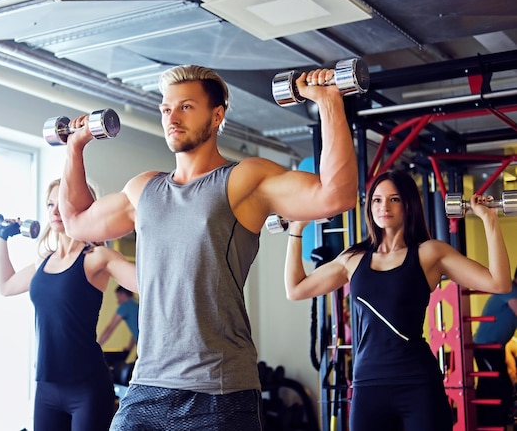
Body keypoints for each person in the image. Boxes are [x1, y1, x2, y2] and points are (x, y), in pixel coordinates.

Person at [58, 64, 358, 430]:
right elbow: (75, 220)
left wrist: (329, 102)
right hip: (146, 385)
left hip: (219, 391)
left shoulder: (243, 179)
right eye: (167, 109)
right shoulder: (143, 189)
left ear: (217, 116)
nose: (172, 117)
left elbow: (336, 195)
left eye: (186, 107)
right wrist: (75, 147)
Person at [284, 169, 512, 431]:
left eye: (394, 199)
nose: (384, 207)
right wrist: (296, 229)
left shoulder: (429, 254)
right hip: (368, 386)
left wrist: (489, 220)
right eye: (377, 200)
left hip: (417, 384)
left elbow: (499, 282)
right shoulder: (353, 259)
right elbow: (295, 289)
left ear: (409, 204)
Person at [0, 178, 137, 431]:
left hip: (88, 388)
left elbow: (149, 284)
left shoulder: (96, 258)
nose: (56, 211)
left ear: (83, 207)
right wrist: (1, 237)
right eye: (50, 204)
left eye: (62, 202)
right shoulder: (43, 262)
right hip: (46, 389)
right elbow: (6, 286)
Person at [473, 267, 517, 427]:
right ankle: (491, 424)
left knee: (491, 387)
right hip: (486, 348)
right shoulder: (510, 289)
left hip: (494, 349)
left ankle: (484, 424)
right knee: (500, 387)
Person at [98, 285, 139, 351]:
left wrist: (97, 346)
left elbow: (110, 328)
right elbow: (137, 329)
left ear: (122, 294)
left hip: (146, 347)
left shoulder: (125, 306)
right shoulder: (137, 303)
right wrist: (129, 348)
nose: (118, 300)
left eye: (118, 296)